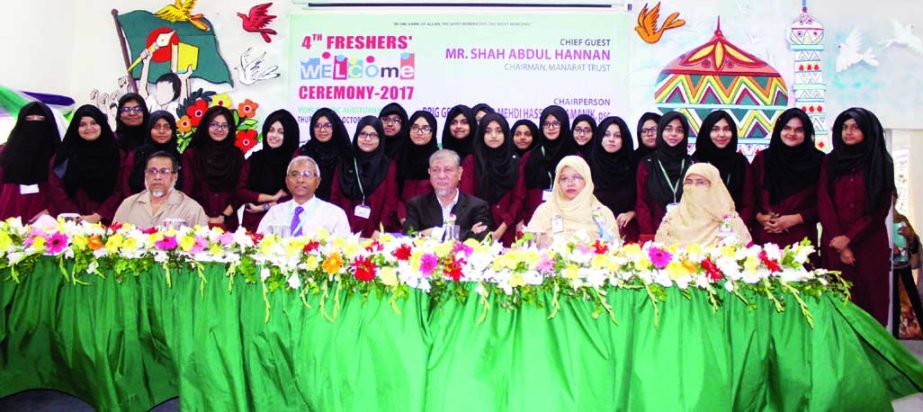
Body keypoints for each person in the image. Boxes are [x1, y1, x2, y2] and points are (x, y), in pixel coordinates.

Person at [818, 107, 895, 326]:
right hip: (834, 244)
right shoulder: (831, 161)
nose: (848, 132)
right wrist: (840, 243)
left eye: (855, 127)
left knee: (872, 302)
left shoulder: (881, 163)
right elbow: (824, 203)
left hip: (869, 245)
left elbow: (878, 210)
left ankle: (872, 356)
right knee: (838, 301)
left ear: (868, 131)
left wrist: (849, 238)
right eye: (844, 127)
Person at [181, 106, 281, 231]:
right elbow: (187, 190)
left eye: (224, 125)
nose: (219, 129)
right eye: (214, 124)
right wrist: (203, 217)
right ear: (206, 125)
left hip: (228, 223)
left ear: (230, 128)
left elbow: (239, 192)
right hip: (196, 221)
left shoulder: (236, 155)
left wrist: (223, 216)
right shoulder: (191, 155)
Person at [751, 108, 823, 247]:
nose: (792, 133)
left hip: (801, 240)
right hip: (764, 236)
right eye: (787, 128)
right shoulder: (763, 159)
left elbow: (824, 203)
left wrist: (795, 219)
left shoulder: (820, 162)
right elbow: (748, 196)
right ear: (779, 130)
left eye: (799, 130)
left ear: (807, 133)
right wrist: (759, 217)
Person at [47, 105, 124, 224]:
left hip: (109, 222)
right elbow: (56, 189)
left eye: (94, 123)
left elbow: (120, 189)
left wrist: (100, 215)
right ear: (75, 128)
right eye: (82, 124)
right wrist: (76, 217)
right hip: (72, 223)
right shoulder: (64, 156)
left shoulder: (117, 154)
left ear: (102, 125)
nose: (89, 128)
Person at [460, 113, 525, 246]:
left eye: (499, 131)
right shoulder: (471, 161)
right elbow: (467, 197)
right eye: (488, 131)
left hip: (507, 229)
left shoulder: (515, 162)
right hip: (476, 228)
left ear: (506, 134)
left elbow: (518, 199)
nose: (494, 136)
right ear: (481, 134)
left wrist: (502, 228)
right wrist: (482, 229)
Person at [525, 155, 619, 248]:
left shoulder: (602, 213)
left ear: (587, 180)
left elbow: (615, 248)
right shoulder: (545, 210)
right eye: (564, 178)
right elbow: (531, 245)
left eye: (576, 177)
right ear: (558, 183)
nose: (570, 183)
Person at [330, 115, 399, 237]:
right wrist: (339, 227)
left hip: (375, 234)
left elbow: (390, 202)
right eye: (363, 134)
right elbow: (335, 197)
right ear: (356, 136)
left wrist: (379, 229)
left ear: (381, 138)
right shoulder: (344, 163)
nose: (367, 139)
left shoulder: (387, 165)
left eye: (373, 135)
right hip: (345, 231)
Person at [655, 163, 752, 246]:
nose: (693, 187)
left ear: (713, 186)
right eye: (688, 182)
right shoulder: (672, 217)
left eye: (700, 182)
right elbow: (659, 252)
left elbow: (745, 256)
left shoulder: (728, 218)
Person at [404, 149, 492, 241]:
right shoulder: (416, 205)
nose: (441, 176)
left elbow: (483, 238)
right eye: (435, 170)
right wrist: (468, 233)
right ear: (429, 173)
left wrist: (433, 232)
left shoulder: (477, 206)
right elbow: (408, 237)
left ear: (459, 172)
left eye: (448, 170)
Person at [635, 111, 694, 241]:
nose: (673, 134)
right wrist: (649, 237)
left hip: (687, 236)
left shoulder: (693, 164)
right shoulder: (647, 163)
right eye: (668, 129)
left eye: (679, 130)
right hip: (655, 234)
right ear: (661, 131)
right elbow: (642, 203)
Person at [257, 156, 351, 237]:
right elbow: (259, 245)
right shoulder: (274, 213)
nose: (300, 180)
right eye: (294, 174)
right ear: (287, 181)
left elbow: (344, 252)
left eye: (307, 175)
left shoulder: (334, 214)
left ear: (317, 181)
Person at [113, 151, 207, 228]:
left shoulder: (191, 209)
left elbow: (203, 245)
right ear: (145, 175)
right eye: (152, 171)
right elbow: (113, 241)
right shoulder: (128, 205)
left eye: (164, 172)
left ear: (175, 176)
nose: (157, 177)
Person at [0, 102, 61, 222]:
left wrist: (52, 210)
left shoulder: (59, 155)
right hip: (8, 213)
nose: (35, 123)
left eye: (40, 119)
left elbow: (67, 190)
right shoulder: (4, 152)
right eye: (29, 118)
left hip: (44, 218)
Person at [241, 109, 300, 232]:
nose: (274, 135)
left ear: (289, 135)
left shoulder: (296, 163)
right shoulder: (255, 159)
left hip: (284, 224)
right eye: (271, 130)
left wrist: (264, 207)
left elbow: (296, 196)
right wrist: (272, 197)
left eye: (281, 132)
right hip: (253, 223)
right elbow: (240, 191)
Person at [693, 110, 755, 226]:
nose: (721, 134)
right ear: (706, 132)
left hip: (735, 230)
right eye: (715, 129)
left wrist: (736, 227)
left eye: (727, 129)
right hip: (701, 230)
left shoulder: (740, 162)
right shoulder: (696, 162)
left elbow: (748, 202)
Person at [521, 105, 574, 229]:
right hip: (534, 218)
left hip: (568, 219)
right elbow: (520, 191)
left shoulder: (574, 157)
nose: (551, 128)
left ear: (564, 125)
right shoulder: (529, 157)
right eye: (546, 123)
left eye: (556, 123)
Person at [590, 116, 639, 242]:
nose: (611, 139)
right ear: (600, 137)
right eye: (606, 135)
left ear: (624, 140)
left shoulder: (634, 164)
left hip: (626, 232)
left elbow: (644, 199)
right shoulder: (588, 164)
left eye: (617, 136)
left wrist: (632, 213)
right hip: (593, 232)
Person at [122, 110, 183, 196]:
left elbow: (187, 187)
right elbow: (126, 186)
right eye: (156, 127)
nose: (161, 131)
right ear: (149, 129)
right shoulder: (137, 155)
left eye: (167, 127)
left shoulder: (180, 158)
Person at [297, 107, 352, 201]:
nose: (322, 130)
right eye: (317, 126)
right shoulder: (303, 153)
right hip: (308, 207)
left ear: (335, 126)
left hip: (338, 209)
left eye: (327, 125)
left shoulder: (346, 153)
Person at [396, 111, 439, 225]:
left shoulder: (440, 160)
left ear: (433, 132)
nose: (419, 132)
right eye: (415, 127)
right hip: (401, 222)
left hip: (432, 223)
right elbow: (394, 193)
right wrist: (403, 217)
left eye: (425, 128)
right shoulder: (399, 157)